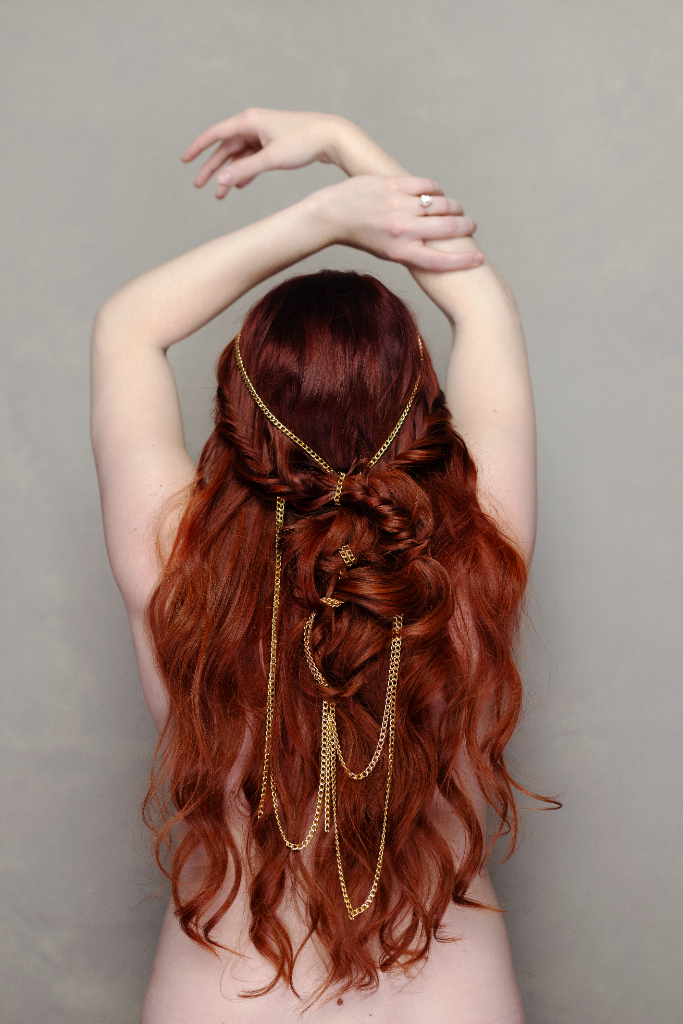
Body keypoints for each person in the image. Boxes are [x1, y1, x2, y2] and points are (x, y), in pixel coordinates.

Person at [91, 109, 539, 1024]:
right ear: (424, 410)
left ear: (238, 415)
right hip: (447, 995)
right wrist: (344, 142)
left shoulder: (175, 561)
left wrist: (321, 217)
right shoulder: (475, 548)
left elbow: (125, 327)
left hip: (225, 996)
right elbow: (480, 304)